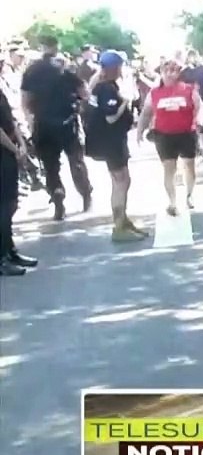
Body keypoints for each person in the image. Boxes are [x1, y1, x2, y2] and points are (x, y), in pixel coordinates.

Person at [20, 35, 93, 220]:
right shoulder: (65, 68)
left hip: (43, 124)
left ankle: (57, 194)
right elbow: (84, 93)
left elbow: (25, 100)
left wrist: (30, 120)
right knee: (76, 160)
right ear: (56, 47)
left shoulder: (31, 71)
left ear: (42, 47)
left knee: (51, 166)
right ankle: (85, 192)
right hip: (67, 122)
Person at [84, 51, 147, 243]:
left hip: (108, 140)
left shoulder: (101, 85)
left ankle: (123, 220)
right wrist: (126, 102)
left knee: (121, 180)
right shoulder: (105, 89)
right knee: (121, 181)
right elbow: (110, 117)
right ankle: (119, 226)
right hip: (110, 141)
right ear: (115, 67)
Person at [139, 59, 201, 215]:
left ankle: (189, 194)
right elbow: (146, 113)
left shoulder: (189, 89)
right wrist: (140, 130)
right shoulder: (154, 93)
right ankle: (172, 202)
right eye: (165, 70)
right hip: (164, 135)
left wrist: (197, 124)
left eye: (173, 70)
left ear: (179, 72)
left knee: (189, 166)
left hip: (186, 133)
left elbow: (200, 108)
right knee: (169, 168)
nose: (169, 73)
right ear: (160, 73)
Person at [0, 77, 35, 275]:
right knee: (3, 206)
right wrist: (15, 149)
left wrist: (21, 145)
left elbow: (10, 121)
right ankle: (2, 257)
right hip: (4, 151)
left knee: (11, 203)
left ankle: (10, 250)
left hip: (9, 150)